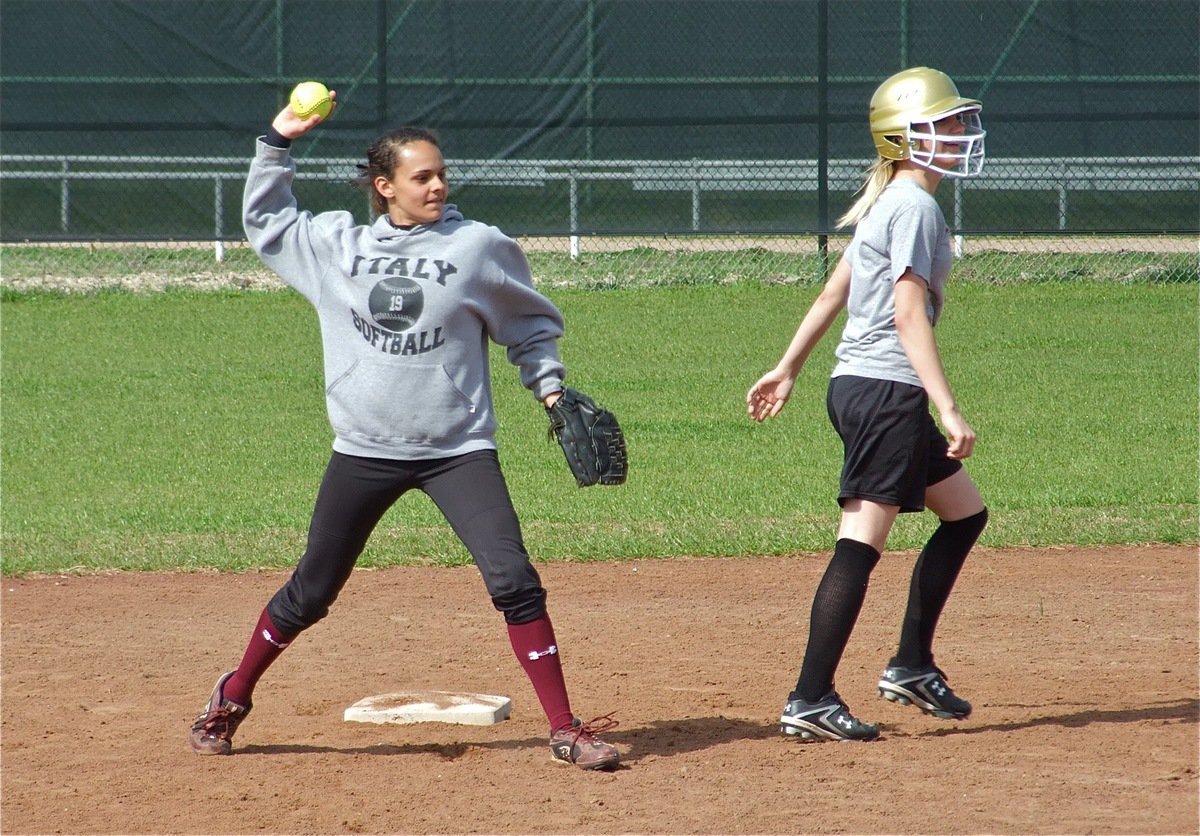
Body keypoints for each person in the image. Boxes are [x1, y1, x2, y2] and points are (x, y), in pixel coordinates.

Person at [188, 89, 620, 770]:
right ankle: (233, 696)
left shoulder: (478, 247)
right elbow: (266, 217)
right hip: (363, 451)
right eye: (421, 176)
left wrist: (550, 389)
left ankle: (565, 727)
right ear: (385, 186)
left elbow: (529, 327)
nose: (438, 184)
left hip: (458, 451)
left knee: (514, 580)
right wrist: (278, 139)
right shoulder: (335, 247)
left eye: (442, 173)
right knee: (311, 592)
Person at [746, 67, 990, 742]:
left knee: (965, 514)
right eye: (943, 124)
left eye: (956, 121)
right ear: (905, 137)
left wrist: (788, 367)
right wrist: (947, 405)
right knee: (860, 545)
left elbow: (834, 295)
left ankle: (911, 664)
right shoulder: (912, 205)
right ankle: (809, 696)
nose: (959, 133)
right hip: (886, 394)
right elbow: (908, 313)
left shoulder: (892, 200)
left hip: (870, 389)